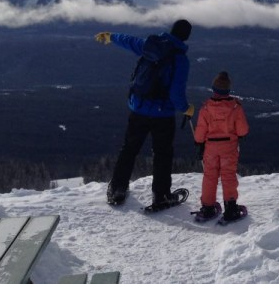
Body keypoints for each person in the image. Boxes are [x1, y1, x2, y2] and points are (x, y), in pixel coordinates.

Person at [95, 19, 194, 209]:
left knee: (129, 149)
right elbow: (176, 93)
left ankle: (117, 189)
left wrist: (111, 36)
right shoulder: (181, 59)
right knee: (162, 154)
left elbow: (131, 41)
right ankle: (161, 196)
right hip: (163, 115)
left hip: (138, 108)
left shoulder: (152, 45)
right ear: (186, 37)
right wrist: (186, 108)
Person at [193, 71, 250, 222]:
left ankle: (208, 208)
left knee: (210, 176)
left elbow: (199, 133)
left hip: (210, 148)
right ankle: (231, 208)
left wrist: (199, 143)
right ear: (228, 90)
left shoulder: (206, 108)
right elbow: (243, 130)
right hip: (229, 148)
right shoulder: (235, 107)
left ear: (214, 89)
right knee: (228, 176)